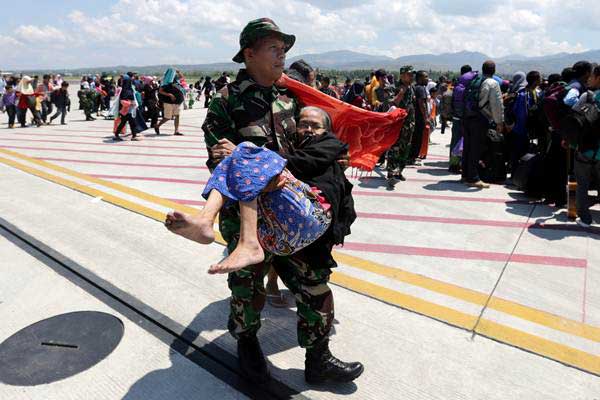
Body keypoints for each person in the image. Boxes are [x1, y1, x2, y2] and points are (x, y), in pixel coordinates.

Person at [196, 17, 363, 385]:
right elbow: (219, 159)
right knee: (247, 285)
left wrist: (328, 156)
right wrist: (250, 162)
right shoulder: (226, 102)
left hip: (293, 210)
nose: (282, 55)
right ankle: (248, 347)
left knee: (314, 281)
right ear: (249, 53)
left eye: (284, 49)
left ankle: (318, 358)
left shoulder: (290, 96)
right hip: (247, 218)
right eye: (274, 48)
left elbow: (308, 142)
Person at [167, 106, 353, 273]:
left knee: (245, 150)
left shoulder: (330, 143)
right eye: (303, 124)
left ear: (327, 130)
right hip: (280, 238)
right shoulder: (294, 145)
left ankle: (237, 237)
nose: (309, 130)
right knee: (239, 159)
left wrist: (247, 154)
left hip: (314, 215)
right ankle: (206, 220)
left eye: (315, 125)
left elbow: (304, 162)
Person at [462, 60, 504, 188]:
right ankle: (473, 178)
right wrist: (499, 122)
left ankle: (465, 175)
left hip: (467, 117)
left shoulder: (475, 80)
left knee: (468, 147)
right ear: (494, 70)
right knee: (476, 148)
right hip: (480, 119)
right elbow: (497, 105)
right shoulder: (492, 83)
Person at [571, 65, 600, 227]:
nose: (589, 79)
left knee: (582, 183)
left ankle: (585, 218)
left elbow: (575, 120)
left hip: (586, 149)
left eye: (592, 76)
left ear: (598, 78)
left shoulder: (588, 97)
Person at [386, 65, 416, 185]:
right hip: (398, 123)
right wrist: (401, 93)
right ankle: (391, 172)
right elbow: (392, 103)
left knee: (406, 147)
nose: (412, 76)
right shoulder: (394, 87)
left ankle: (399, 171)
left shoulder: (411, 88)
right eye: (409, 74)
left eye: (412, 74)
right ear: (402, 75)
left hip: (409, 123)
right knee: (395, 147)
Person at [155, 68, 185, 135]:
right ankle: (157, 126)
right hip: (168, 102)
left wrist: (178, 71)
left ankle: (176, 131)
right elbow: (160, 91)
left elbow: (181, 77)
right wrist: (169, 94)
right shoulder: (165, 81)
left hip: (177, 101)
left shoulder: (176, 80)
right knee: (167, 117)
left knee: (177, 115)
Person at [409, 70, 429, 165]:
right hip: (419, 117)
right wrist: (426, 117)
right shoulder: (421, 88)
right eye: (426, 77)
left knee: (413, 138)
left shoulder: (415, 87)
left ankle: (411, 156)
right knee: (417, 138)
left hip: (414, 116)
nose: (427, 79)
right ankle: (412, 158)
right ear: (420, 78)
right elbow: (422, 104)